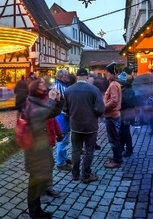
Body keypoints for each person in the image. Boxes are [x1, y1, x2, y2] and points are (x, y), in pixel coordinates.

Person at [23, 78, 63, 219]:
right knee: (35, 182)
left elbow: (52, 113)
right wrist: (52, 100)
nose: (45, 87)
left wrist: (58, 100)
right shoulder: (30, 104)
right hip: (34, 150)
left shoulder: (38, 102)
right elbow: (42, 115)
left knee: (38, 181)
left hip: (41, 147)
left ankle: (37, 210)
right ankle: (35, 213)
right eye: (41, 85)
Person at [62, 67, 105, 184]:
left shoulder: (68, 90)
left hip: (75, 125)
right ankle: (86, 175)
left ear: (76, 77)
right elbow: (100, 108)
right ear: (86, 77)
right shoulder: (93, 89)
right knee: (89, 150)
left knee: (76, 150)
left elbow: (65, 109)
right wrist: (94, 116)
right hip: (90, 126)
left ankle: (75, 174)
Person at [103, 62, 123, 169]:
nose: (105, 74)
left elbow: (114, 101)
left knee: (113, 139)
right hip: (113, 115)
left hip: (112, 116)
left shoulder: (113, 85)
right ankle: (117, 156)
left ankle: (117, 160)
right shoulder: (114, 84)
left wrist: (104, 107)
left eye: (107, 73)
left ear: (112, 74)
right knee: (115, 137)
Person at [53, 69, 72, 171]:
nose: (68, 76)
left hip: (62, 116)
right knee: (62, 140)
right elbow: (65, 102)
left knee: (65, 139)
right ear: (62, 76)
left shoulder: (60, 85)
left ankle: (64, 158)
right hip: (62, 116)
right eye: (66, 75)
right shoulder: (60, 87)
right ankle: (60, 163)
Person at [119, 74, 137, 157]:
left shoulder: (128, 91)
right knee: (122, 131)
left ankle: (129, 149)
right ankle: (122, 148)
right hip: (125, 114)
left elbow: (129, 103)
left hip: (126, 114)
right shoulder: (127, 90)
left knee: (125, 132)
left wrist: (120, 104)